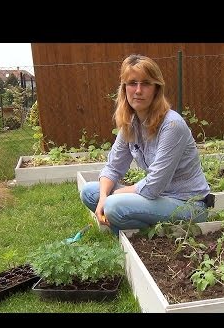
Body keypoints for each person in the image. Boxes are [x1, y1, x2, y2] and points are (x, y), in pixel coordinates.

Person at [80, 54, 212, 236]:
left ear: (156, 89)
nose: (138, 90)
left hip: (188, 204)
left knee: (113, 206)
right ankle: (143, 230)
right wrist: (103, 197)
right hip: (157, 199)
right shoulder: (131, 122)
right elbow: (113, 168)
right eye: (132, 83)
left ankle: (135, 232)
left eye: (146, 83)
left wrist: (111, 198)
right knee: (90, 192)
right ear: (124, 88)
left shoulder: (172, 125)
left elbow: (153, 186)